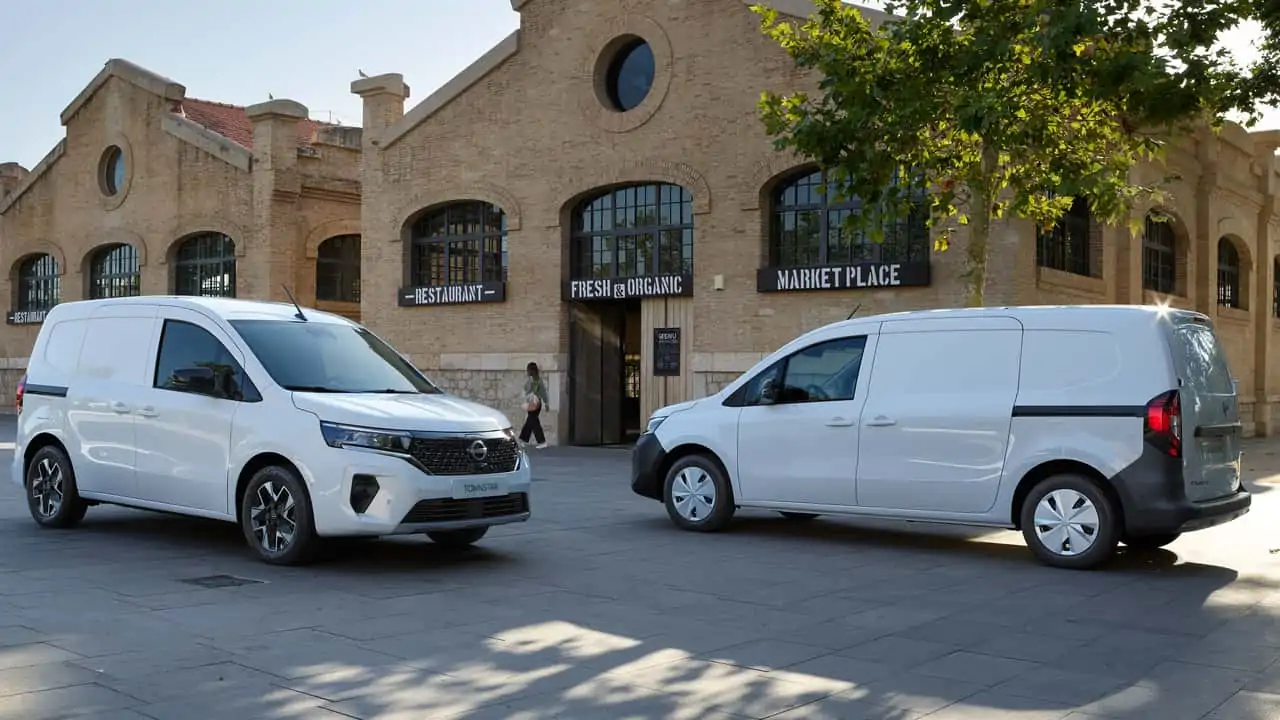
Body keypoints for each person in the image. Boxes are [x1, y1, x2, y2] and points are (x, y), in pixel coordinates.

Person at [520, 361, 548, 449]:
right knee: (530, 421)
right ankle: (523, 440)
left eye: (528, 370)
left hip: (536, 404)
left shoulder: (538, 381)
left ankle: (542, 441)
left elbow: (543, 392)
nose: (527, 372)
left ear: (532, 371)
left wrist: (546, 403)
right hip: (531, 403)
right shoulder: (531, 380)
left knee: (534, 422)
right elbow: (526, 389)